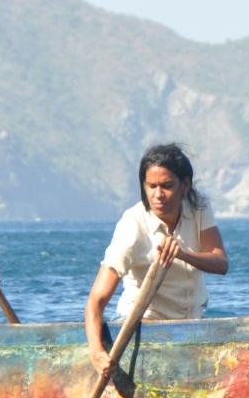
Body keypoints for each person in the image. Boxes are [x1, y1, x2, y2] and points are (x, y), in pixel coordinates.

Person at [84, 143, 227, 376]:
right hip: (144, 328)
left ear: (185, 185)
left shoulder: (198, 207)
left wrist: (182, 254)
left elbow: (220, 263)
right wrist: (96, 351)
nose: (158, 195)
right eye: (151, 186)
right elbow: (96, 301)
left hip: (191, 325)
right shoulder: (132, 226)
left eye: (167, 186)